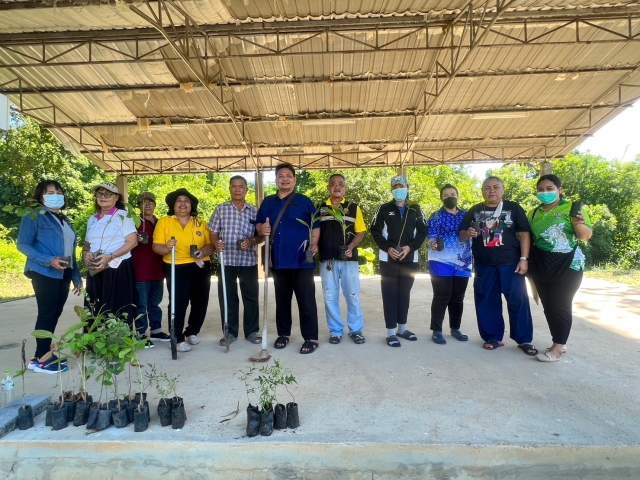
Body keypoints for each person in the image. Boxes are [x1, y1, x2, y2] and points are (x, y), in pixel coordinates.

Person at [459, 176, 537, 355]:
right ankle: (493, 337)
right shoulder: (475, 210)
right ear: (482, 191)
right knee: (486, 301)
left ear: (503, 190)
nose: (491, 191)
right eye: (487, 188)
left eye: (495, 187)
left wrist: (524, 258)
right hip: (484, 265)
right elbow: (462, 234)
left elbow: (524, 234)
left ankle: (524, 339)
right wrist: (468, 233)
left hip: (511, 263)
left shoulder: (513, 207)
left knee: (518, 300)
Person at [17, 180, 82, 374]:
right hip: (44, 271)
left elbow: (71, 250)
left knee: (55, 312)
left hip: (64, 272)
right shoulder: (33, 216)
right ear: (40, 196)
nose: (56, 195)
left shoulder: (65, 220)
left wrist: (76, 276)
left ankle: (41, 355)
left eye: (59, 192)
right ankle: (41, 359)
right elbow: (23, 244)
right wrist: (48, 260)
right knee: (47, 312)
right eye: (50, 192)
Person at [527, 174, 592, 363]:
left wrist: (577, 224)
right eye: (541, 189)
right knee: (548, 305)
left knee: (560, 304)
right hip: (542, 264)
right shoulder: (533, 213)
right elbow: (528, 237)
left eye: (550, 189)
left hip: (569, 264)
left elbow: (585, 236)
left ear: (559, 190)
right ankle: (559, 341)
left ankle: (557, 348)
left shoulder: (571, 209)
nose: (545, 192)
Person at [256, 163, 320, 354]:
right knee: (282, 300)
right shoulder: (268, 202)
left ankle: (311, 337)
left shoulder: (305, 201)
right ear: (276, 180)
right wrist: (261, 228)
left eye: (288, 176)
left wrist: (314, 243)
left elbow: (316, 225)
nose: (285, 179)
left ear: (294, 179)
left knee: (306, 301)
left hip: (302, 259)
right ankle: (283, 334)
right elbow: (258, 224)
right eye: (281, 176)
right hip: (279, 258)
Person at [152, 188, 214, 353]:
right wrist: (167, 247)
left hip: (200, 265)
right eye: (179, 200)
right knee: (178, 302)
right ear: (173, 205)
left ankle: (192, 331)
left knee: (200, 301)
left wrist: (203, 251)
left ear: (191, 205)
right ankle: (177, 338)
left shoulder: (200, 223)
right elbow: (156, 246)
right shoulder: (164, 222)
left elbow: (211, 245)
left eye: (186, 201)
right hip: (175, 266)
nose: (182, 203)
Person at [370, 175, 428, 347]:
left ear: (407, 188)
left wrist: (411, 247)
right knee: (389, 294)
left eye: (401, 186)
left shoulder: (416, 209)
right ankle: (390, 332)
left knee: (404, 293)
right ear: (391, 190)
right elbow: (375, 230)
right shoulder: (383, 208)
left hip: (410, 258)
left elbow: (423, 231)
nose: (399, 189)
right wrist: (388, 247)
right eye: (395, 187)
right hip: (388, 259)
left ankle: (402, 328)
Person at [209, 176, 263, 347]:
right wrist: (215, 243)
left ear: (247, 190)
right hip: (226, 261)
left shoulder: (255, 211)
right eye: (234, 186)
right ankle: (230, 332)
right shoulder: (220, 209)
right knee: (227, 297)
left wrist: (251, 241)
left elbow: (261, 236)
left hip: (248, 261)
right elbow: (213, 232)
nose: (237, 189)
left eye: (241, 186)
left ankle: (252, 332)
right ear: (230, 189)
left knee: (251, 297)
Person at [317, 173, 366, 345]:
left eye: (340, 184)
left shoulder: (353, 208)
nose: (336, 187)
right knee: (330, 296)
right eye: (333, 184)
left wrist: (351, 247)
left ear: (345, 188)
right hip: (327, 260)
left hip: (349, 260)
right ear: (328, 188)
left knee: (352, 295)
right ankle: (335, 331)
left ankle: (356, 330)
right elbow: (315, 232)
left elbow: (360, 232)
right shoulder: (320, 208)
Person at [82, 181, 138, 327]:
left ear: (116, 197)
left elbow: (132, 242)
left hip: (117, 267)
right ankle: (95, 339)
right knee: (95, 307)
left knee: (117, 307)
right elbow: (87, 243)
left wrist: (111, 256)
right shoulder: (92, 218)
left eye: (108, 194)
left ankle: (117, 339)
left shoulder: (123, 216)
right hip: (96, 267)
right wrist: (85, 253)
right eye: (100, 193)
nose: (103, 197)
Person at [426, 184, 472, 345]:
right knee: (441, 296)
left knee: (458, 297)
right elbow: (431, 236)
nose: (449, 197)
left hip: (463, 261)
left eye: (452, 194)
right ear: (441, 198)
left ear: (457, 196)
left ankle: (455, 328)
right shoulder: (435, 216)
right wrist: (433, 243)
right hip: (440, 260)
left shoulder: (467, 215)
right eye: (445, 195)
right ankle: (437, 330)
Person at [131, 191, 169, 348]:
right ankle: (141, 334)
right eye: (143, 202)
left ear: (155, 205)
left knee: (155, 303)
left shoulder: (161, 222)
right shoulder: (133, 221)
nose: (147, 205)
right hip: (140, 270)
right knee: (141, 304)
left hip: (158, 270)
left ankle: (156, 330)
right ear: (138, 205)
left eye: (150, 202)